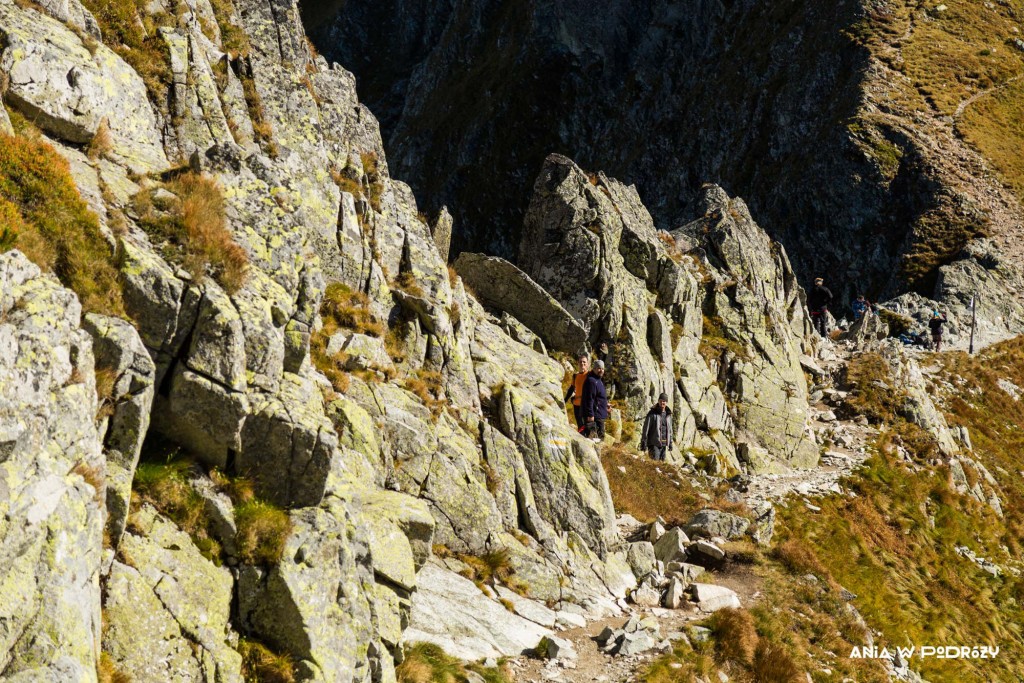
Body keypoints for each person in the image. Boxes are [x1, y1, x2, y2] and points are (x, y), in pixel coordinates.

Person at [581, 359, 609, 442]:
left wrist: (606, 405)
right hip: (595, 416)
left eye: (602, 368)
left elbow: (598, 397)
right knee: (597, 439)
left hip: (599, 413)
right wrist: (590, 415)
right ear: (594, 369)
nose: (601, 370)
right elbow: (589, 399)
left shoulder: (598, 380)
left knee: (599, 438)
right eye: (599, 368)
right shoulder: (592, 381)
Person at [640, 393, 673, 461]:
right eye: (660, 400)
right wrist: (644, 441)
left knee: (661, 467)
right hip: (653, 443)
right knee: (655, 464)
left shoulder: (668, 414)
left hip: (664, 444)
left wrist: (670, 443)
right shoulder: (652, 413)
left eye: (664, 401)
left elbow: (670, 430)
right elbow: (646, 428)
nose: (662, 402)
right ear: (658, 401)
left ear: (666, 402)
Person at [563, 354, 590, 430]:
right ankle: (581, 438)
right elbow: (571, 388)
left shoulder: (589, 375)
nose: (582, 364)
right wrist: (565, 400)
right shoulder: (575, 376)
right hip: (577, 405)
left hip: (586, 405)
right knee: (580, 425)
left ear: (587, 364)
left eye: (584, 362)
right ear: (578, 363)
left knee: (587, 425)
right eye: (580, 362)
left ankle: (587, 438)